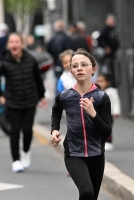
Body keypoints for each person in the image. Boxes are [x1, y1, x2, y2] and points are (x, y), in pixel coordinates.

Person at [51, 48, 112, 200]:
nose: (79, 68)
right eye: (75, 65)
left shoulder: (101, 97)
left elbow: (106, 132)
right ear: (70, 70)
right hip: (73, 153)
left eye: (84, 65)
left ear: (93, 69)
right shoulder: (65, 96)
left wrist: (93, 114)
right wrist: (54, 130)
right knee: (86, 192)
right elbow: (56, 111)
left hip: (96, 153)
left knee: (92, 197)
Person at [0, 32, 47, 173]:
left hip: (30, 100)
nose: (14, 44)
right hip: (12, 101)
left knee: (28, 131)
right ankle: (16, 160)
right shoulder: (5, 62)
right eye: (12, 42)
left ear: (22, 44)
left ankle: (26, 152)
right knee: (14, 132)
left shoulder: (31, 59)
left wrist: (42, 96)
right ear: (8, 45)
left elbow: (38, 78)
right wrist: (0, 95)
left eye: (17, 42)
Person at [96, 73, 120, 151]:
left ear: (107, 82)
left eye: (101, 81)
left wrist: (116, 112)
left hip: (108, 114)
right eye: (98, 81)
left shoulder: (112, 91)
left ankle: (108, 142)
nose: (99, 83)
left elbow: (116, 101)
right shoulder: (96, 91)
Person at [97, 13, 120, 88]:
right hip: (107, 56)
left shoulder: (114, 30)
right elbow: (100, 40)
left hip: (113, 54)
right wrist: (105, 47)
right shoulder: (105, 30)